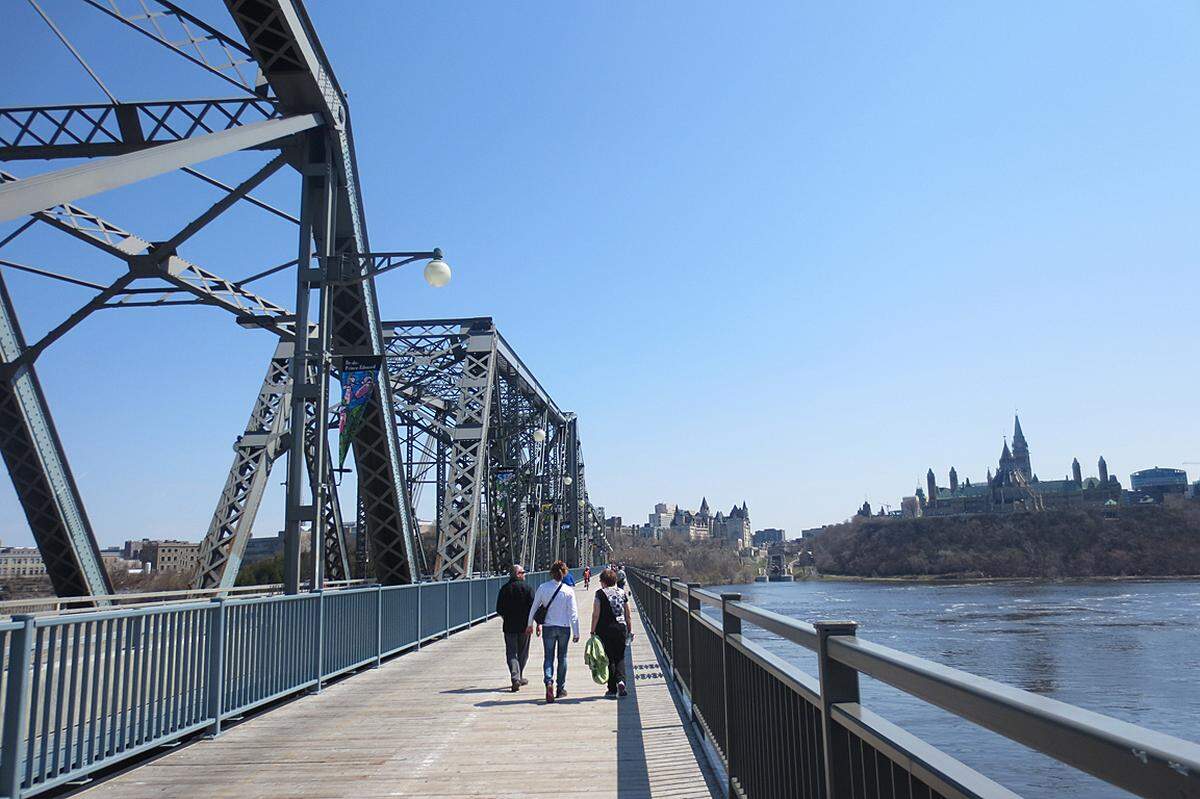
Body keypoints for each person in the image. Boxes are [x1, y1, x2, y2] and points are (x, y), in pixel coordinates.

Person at [526, 560, 579, 703]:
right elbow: (573, 614)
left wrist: (530, 624)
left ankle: (548, 682)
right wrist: (576, 632)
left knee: (548, 657)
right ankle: (560, 689)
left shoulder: (543, 588)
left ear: (551, 573)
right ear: (564, 573)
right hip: (564, 627)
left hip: (548, 627)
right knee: (563, 658)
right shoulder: (568, 591)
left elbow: (534, 607)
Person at [590, 568, 633, 697]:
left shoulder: (599, 594)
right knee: (620, 656)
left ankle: (612, 688)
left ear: (603, 582)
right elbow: (628, 614)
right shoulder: (622, 592)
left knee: (609, 657)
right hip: (621, 628)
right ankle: (621, 682)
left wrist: (592, 630)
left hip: (605, 629)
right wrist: (629, 630)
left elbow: (596, 614)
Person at [495, 563, 534, 692]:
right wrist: (535, 622)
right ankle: (519, 676)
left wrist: (506, 617)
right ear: (517, 574)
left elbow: (499, 609)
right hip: (524, 627)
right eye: (522, 572)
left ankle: (515, 677)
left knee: (511, 653)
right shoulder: (527, 588)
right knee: (523, 653)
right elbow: (533, 608)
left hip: (509, 626)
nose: (524, 575)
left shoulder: (504, 589)